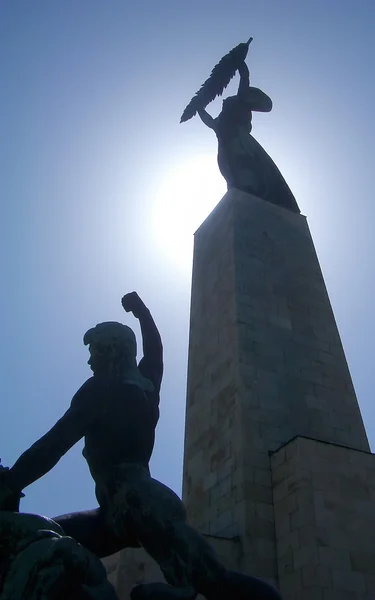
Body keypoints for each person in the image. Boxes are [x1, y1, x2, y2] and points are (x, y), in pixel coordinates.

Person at [2, 292, 281, 599]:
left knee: (214, 582)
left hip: (139, 502)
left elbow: (52, 446)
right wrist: (143, 313)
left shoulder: (100, 391)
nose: (89, 359)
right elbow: (154, 353)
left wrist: (12, 482)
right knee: (49, 541)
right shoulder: (146, 385)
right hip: (113, 513)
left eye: (94, 350)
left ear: (111, 352)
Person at [198, 61, 300, 214]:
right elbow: (210, 121)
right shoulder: (221, 121)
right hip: (225, 148)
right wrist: (199, 108)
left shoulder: (239, 105)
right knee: (231, 173)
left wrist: (242, 68)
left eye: (227, 100)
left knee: (248, 166)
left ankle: (254, 191)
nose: (224, 100)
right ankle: (241, 192)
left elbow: (243, 84)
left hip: (241, 141)